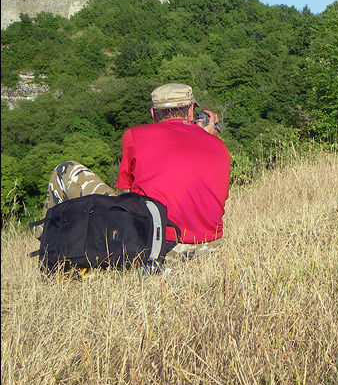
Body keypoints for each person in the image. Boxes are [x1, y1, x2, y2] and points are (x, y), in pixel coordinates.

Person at [44, 83, 231, 260]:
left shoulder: (135, 135)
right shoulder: (219, 146)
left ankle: (50, 256)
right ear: (191, 110)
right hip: (210, 247)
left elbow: (130, 191)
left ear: (152, 113)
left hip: (156, 249)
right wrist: (204, 136)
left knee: (65, 170)